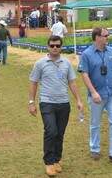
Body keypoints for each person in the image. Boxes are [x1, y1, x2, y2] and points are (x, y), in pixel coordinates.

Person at [29, 35, 84, 176]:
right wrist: (31, 102)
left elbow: (72, 82)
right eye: (52, 45)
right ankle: (48, 162)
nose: (55, 48)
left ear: (61, 47)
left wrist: (78, 100)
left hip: (64, 104)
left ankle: (57, 160)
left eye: (58, 46)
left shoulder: (66, 63)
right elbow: (33, 82)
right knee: (51, 131)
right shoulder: (40, 63)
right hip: (47, 103)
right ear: (48, 46)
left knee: (60, 134)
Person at [78, 27, 112, 166]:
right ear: (97, 37)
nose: (108, 37)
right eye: (105, 35)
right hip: (97, 95)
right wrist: (93, 92)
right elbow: (84, 74)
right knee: (95, 123)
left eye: (107, 35)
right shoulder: (86, 54)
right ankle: (95, 148)